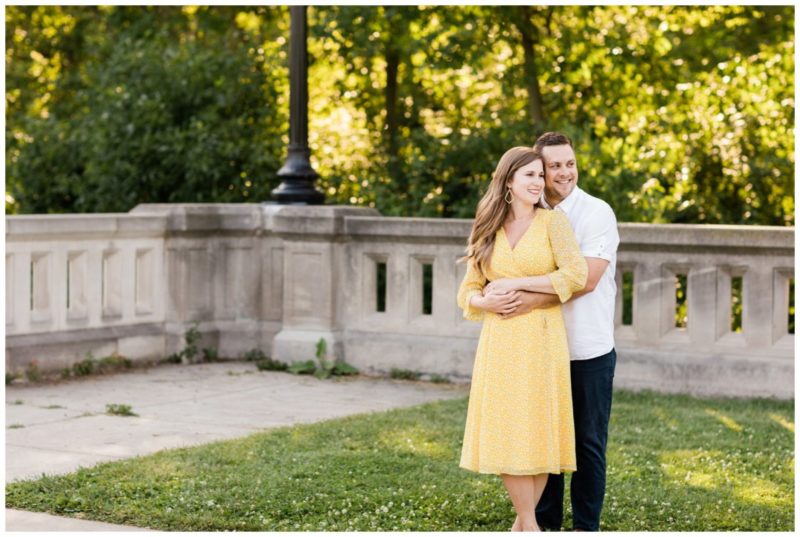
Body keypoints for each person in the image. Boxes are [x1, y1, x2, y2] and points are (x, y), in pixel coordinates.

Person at [457, 146, 587, 532]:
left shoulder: (553, 223)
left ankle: (525, 526)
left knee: (538, 432)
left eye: (539, 175)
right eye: (528, 175)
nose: (537, 182)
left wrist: (518, 284)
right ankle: (528, 525)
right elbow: (467, 291)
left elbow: (575, 275)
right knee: (507, 430)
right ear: (509, 180)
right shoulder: (487, 226)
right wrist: (486, 299)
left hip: (542, 338)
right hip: (500, 341)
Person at [493, 132, 620, 532]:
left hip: (587, 348)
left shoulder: (597, 213)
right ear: (536, 171)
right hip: (538, 348)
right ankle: (542, 525)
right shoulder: (527, 214)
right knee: (542, 442)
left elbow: (586, 281)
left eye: (570, 163)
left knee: (586, 446)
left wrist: (518, 295)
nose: (564, 172)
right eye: (554, 166)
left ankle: (585, 528)